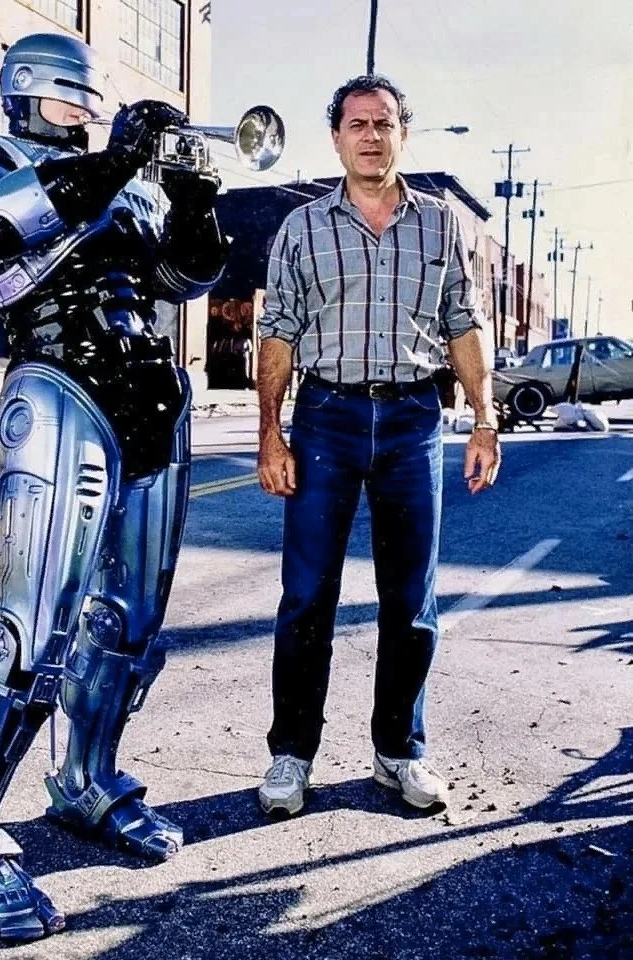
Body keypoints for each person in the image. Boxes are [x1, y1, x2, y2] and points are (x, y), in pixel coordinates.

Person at [0, 33, 226, 943]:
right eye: (70, 94)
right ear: (24, 89)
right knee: (32, 633)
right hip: (57, 385)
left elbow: (185, 278)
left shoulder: (126, 184)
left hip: (150, 396)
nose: (83, 110)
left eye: (92, 98)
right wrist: (118, 160)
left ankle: (88, 780)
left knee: (130, 627)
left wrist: (193, 199)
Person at [255, 75, 500, 819]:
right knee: (307, 597)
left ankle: (400, 749)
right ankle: (292, 755)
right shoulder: (301, 229)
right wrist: (270, 433)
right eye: (357, 123)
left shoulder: (440, 226)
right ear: (336, 137)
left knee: (412, 599)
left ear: (402, 134)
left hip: (412, 419)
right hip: (324, 418)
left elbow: (463, 323)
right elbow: (278, 333)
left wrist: (484, 418)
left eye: (384, 122)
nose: (371, 135)